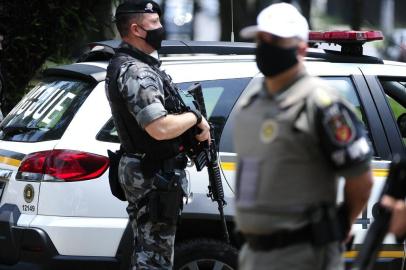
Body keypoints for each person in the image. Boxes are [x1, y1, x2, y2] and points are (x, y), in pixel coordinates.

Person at [233, 3, 373, 270]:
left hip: (305, 255)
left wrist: (342, 224)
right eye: (261, 39)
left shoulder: (321, 104)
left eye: (274, 39)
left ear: (300, 48)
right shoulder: (250, 104)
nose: (265, 46)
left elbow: (361, 179)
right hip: (254, 254)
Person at [105, 1, 210, 269]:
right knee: (154, 259)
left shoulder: (136, 65)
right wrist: (195, 118)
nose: (161, 29)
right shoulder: (137, 71)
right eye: (155, 24)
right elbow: (159, 128)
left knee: (148, 251)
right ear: (136, 29)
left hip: (150, 170)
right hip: (152, 174)